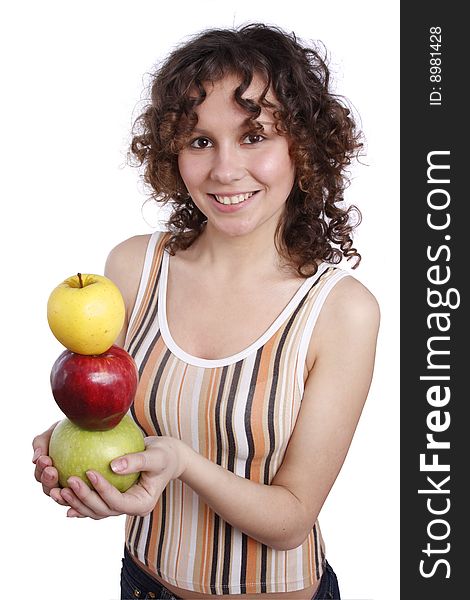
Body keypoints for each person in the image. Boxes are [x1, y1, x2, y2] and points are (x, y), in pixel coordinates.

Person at [32, 23, 380, 600]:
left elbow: (292, 519)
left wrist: (182, 463)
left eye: (254, 137)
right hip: (142, 584)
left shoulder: (340, 311)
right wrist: (76, 449)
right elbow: (114, 416)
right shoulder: (133, 269)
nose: (224, 169)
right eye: (199, 141)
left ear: (305, 145)